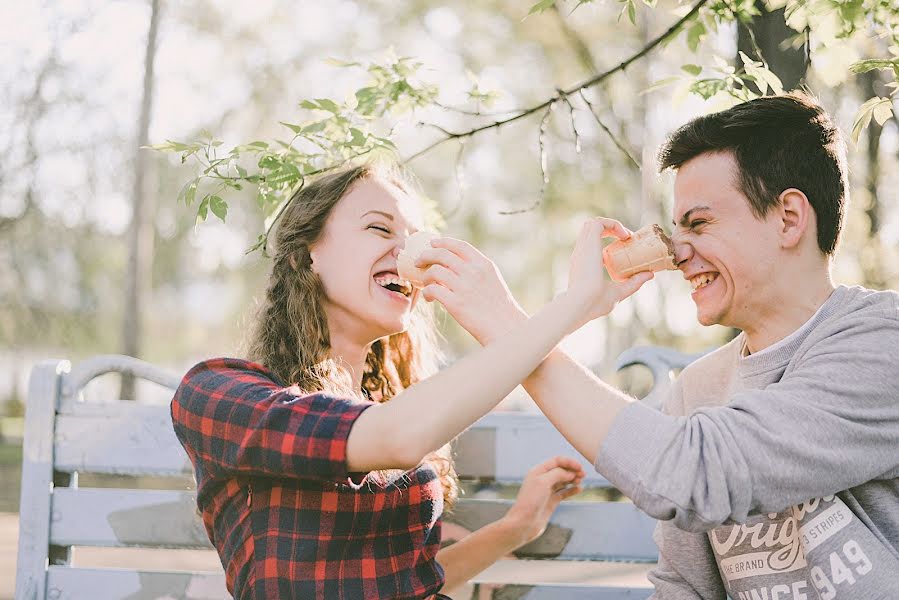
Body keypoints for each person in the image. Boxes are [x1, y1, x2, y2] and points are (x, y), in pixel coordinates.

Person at [415, 92, 899, 598]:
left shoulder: (882, 346)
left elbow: (694, 472)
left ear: (789, 218)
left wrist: (511, 332)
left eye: (700, 223)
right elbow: (685, 584)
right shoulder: (699, 388)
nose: (677, 252)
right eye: (676, 227)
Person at [169, 162, 655, 599]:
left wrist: (515, 528)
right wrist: (573, 305)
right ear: (307, 255)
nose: (409, 254)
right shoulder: (218, 394)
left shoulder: (392, 405)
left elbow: (412, 579)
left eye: (416, 237)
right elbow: (397, 436)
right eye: (379, 229)